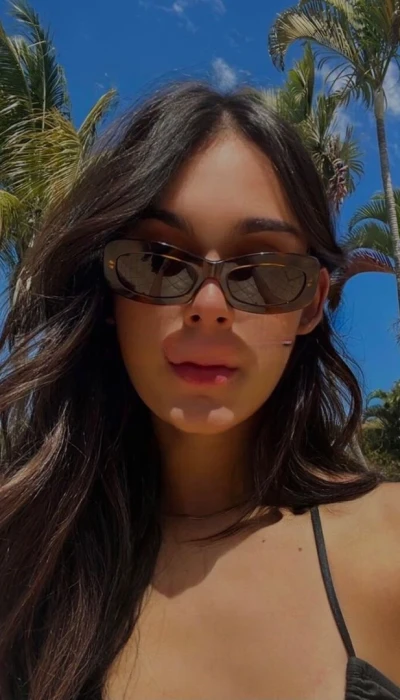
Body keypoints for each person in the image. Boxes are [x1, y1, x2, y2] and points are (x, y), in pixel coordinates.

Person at [0, 80, 399, 700]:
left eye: (263, 268)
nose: (209, 304)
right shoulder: (23, 566)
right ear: (109, 288)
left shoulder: (389, 545)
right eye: (160, 262)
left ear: (311, 303)